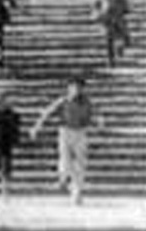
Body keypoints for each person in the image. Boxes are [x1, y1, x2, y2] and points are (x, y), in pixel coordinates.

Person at [30, 77, 105, 205]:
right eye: (74, 87)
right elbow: (47, 112)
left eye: (79, 87)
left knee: (80, 164)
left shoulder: (87, 102)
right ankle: (63, 179)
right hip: (65, 132)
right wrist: (36, 127)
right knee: (65, 161)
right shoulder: (63, 101)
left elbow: (97, 114)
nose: (76, 90)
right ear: (69, 88)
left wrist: (100, 123)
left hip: (80, 132)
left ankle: (77, 193)